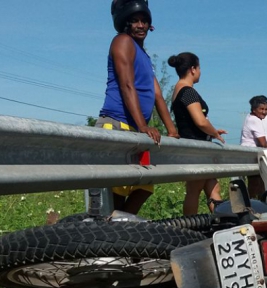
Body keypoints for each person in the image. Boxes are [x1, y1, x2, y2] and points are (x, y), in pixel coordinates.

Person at [97, 0, 179, 214]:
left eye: (144, 21)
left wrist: (172, 130)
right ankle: (113, 230)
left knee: (144, 185)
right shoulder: (122, 41)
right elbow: (126, 84)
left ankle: (121, 228)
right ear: (125, 23)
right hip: (117, 124)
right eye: (135, 21)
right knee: (116, 195)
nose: (140, 25)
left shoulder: (143, 54)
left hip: (136, 129)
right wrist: (143, 126)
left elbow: (157, 95)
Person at [168, 52, 226, 215]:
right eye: (199, 68)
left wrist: (212, 131)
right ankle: (189, 225)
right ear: (193, 69)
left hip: (197, 146)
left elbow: (193, 122)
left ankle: (222, 221)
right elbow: (200, 121)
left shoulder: (178, 90)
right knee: (194, 190)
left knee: (213, 188)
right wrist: (214, 133)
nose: (200, 72)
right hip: (196, 148)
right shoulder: (188, 91)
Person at [239, 95, 267, 197]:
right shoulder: (255, 120)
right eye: (261, 109)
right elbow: (263, 143)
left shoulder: (249, 117)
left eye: (266, 109)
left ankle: (254, 201)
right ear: (254, 109)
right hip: (253, 155)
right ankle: (254, 202)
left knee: (255, 182)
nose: (264, 112)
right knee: (257, 182)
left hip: (248, 153)